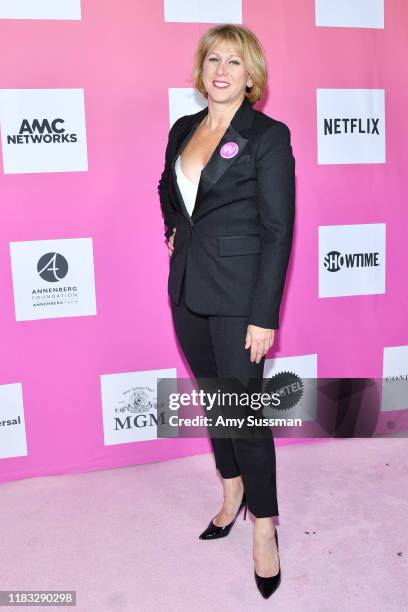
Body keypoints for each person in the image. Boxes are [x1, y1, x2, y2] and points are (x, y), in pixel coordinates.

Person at [157, 24, 295, 599]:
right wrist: (172, 229)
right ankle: (231, 491)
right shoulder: (183, 128)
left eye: (234, 62)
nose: (221, 70)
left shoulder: (266, 135)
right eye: (213, 59)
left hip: (241, 302)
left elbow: (278, 229)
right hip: (187, 291)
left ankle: (264, 527)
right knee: (216, 402)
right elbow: (168, 187)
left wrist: (264, 315)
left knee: (244, 415)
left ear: (250, 74)